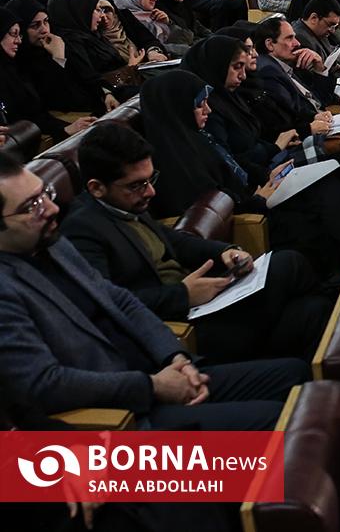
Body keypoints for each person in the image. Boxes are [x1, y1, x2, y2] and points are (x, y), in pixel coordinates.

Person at [0, 151, 308, 429]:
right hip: (121, 417)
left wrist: (174, 357)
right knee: (279, 420)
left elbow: (120, 300)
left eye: (45, 194)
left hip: (159, 370)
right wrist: (153, 386)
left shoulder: (52, 244)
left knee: (295, 377)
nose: (52, 208)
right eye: (32, 206)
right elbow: (46, 384)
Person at [62, 122, 330, 363]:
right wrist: (183, 295)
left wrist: (225, 252)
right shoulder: (81, 230)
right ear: (97, 188)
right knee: (289, 264)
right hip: (181, 329)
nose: (151, 191)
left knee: (312, 311)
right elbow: (107, 304)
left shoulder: (125, 202)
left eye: (151, 179)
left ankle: (322, 369)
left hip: (201, 303)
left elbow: (172, 240)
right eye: (137, 185)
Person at [140, 67, 340, 276]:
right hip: (245, 223)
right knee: (316, 207)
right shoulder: (169, 159)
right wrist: (257, 199)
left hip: (257, 196)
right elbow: (211, 205)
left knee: (324, 183)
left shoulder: (196, 137)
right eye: (200, 105)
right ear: (178, 109)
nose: (208, 110)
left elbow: (237, 165)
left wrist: (267, 176)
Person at [0, 7, 95, 140]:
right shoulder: (21, 65)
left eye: (46, 21)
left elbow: (36, 114)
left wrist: (106, 93)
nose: (19, 41)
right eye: (13, 34)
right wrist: (64, 130)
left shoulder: (12, 69)